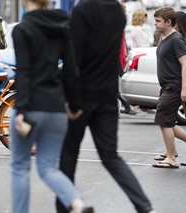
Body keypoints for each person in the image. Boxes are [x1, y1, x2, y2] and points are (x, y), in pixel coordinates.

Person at [56, 0, 156, 213]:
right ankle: (145, 207)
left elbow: (74, 58)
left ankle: (66, 208)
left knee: (68, 157)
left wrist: (71, 101)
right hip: (108, 94)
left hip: (82, 95)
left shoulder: (83, 8)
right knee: (111, 157)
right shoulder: (117, 11)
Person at [10, 0, 93, 212]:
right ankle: (77, 203)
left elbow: (24, 72)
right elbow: (72, 70)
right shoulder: (62, 28)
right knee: (48, 167)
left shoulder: (22, 30)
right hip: (56, 109)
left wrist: (21, 109)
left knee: (20, 166)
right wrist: (73, 105)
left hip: (31, 107)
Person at [152, 7, 186, 168]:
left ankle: (171, 158)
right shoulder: (163, 38)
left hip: (174, 86)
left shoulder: (176, 39)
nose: (155, 24)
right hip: (166, 86)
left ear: (169, 22)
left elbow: (185, 64)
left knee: (164, 119)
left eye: (158, 21)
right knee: (168, 121)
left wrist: (184, 88)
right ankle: (171, 153)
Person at [119, 4, 136, 115]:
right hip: (118, 58)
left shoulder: (121, 26)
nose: (126, 14)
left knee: (122, 80)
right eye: (125, 12)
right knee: (122, 80)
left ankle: (127, 105)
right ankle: (126, 105)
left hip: (121, 57)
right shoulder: (119, 24)